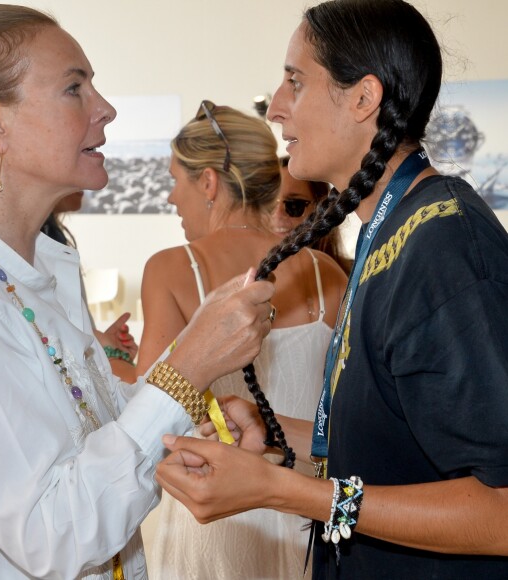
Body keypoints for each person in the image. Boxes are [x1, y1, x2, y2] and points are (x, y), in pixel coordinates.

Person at [155, 1, 508, 579]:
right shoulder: (390, 233)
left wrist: (285, 491)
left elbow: (501, 511)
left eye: (295, 80)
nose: (276, 106)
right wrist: (275, 432)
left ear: (364, 98)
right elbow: (393, 444)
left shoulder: (445, 245)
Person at [0, 6, 275, 579]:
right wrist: (186, 368)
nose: (106, 108)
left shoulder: (42, 269)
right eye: (74, 88)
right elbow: (52, 534)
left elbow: (89, 436)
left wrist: (192, 417)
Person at [138, 103, 347, 579]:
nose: (172, 197)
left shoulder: (171, 269)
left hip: (213, 517)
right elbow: (346, 411)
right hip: (308, 510)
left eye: (176, 179)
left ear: (209, 182)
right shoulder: (326, 274)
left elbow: (152, 406)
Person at [42, 191, 138, 382]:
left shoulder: (54, 239)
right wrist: (104, 350)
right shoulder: (32, 245)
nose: (83, 187)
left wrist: (101, 346)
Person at [272, 156, 352, 274]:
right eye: (269, 205)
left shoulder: (356, 278)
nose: (277, 214)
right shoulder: (244, 279)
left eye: (294, 205)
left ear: (321, 209)